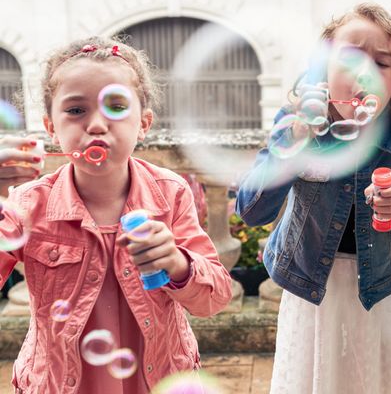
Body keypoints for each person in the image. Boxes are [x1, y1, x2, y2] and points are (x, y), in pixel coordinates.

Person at [0, 38, 233, 393]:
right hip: (61, 383)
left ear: (144, 123)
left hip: (156, 378)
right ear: (50, 128)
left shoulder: (169, 193)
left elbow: (214, 298)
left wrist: (178, 263)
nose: (96, 125)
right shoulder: (28, 204)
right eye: (76, 110)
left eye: (116, 107)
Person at [236, 3, 391, 394]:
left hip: (380, 291)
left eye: (381, 63)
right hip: (312, 291)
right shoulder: (297, 122)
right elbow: (251, 210)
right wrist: (292, 146)